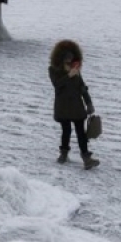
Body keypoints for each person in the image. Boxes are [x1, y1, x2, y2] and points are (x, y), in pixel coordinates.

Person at [48, 39, 99, 170]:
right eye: (67, 56)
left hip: (77, 106)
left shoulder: (75, 69)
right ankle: (63, 154)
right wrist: (69, 75)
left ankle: (86, 158)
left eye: (71, 56)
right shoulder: (53, 70)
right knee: (66, 131)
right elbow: (57, 85)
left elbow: (82, 87)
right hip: (63, 106)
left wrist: (89, 103)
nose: (69, 59)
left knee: (81, 132)